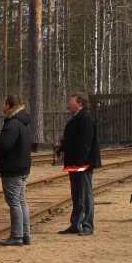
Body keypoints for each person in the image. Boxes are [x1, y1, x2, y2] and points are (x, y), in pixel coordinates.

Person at [0, 94, 31, 246]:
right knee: (21, 201)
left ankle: (17, 236)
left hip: (13, 168)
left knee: (14, 202)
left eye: (3, 103)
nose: (2, 105)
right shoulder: (22, 122)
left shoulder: (12, 124)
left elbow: (5, 145)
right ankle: (25, 234)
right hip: (22, 166)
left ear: (8, 105)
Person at [54, 91, 100, 236]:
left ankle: (88, 224)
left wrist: (79, 162)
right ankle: (75, 224)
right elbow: (72, 139)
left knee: (86, 194)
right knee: (76, 194)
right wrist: (62, 146)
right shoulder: (76, 118)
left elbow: (85, 142)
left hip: (82, 163)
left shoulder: (85, 118)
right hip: (74, 162)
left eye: (72, 100)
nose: (69, 102)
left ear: (80, 103)